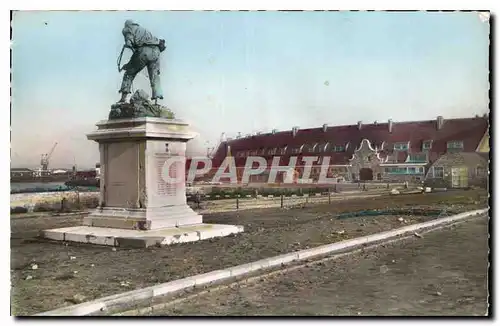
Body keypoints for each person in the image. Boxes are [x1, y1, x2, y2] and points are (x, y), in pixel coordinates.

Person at [118, 20, 166, 103]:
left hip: (144, 51)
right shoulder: (143, 29)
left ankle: (123, 98)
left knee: (129, 73)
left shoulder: (128, 28)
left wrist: (128, 44)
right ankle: (156, 101)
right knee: (155, 76)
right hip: (156, 51)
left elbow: (129, 42)